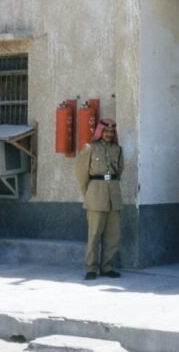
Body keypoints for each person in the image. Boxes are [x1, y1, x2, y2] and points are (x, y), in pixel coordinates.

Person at [75, 118, 124, 281]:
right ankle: (91, 268)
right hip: (96, 194)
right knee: (94, 234)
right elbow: (81, 174)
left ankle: (107, 267)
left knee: (113, 235)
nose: (109, 134)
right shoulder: (89, 148)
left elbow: (120, 171)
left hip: (114, 196)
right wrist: (88, 193)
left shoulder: (118, 149)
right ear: (100, 132)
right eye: (106, 131)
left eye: (112, 132)